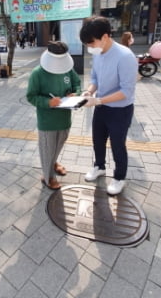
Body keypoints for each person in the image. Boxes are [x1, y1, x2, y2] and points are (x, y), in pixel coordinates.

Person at [79, 16, 138, 195]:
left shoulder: (125, 56)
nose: (90, 47)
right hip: (101, 106)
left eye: (92, 43)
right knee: (98, 140)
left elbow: (126, 91)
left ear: (105, 37)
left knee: (117, 144)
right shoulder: (99, 54)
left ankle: (119, 178)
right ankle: (99, 167)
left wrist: (98, 100)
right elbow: (95, 78)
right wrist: (89, 92)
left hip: (120, 110)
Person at [26, 41, 81, 190]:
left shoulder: (67, 69)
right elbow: (31, 96)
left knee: (58, 145)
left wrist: (76, 93)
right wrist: (48, 102)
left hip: (64, 118)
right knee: (47, 148)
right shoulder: (38, 73)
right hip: (47, 121)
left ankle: (53, 162)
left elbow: (77, 82)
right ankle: (48, 177)